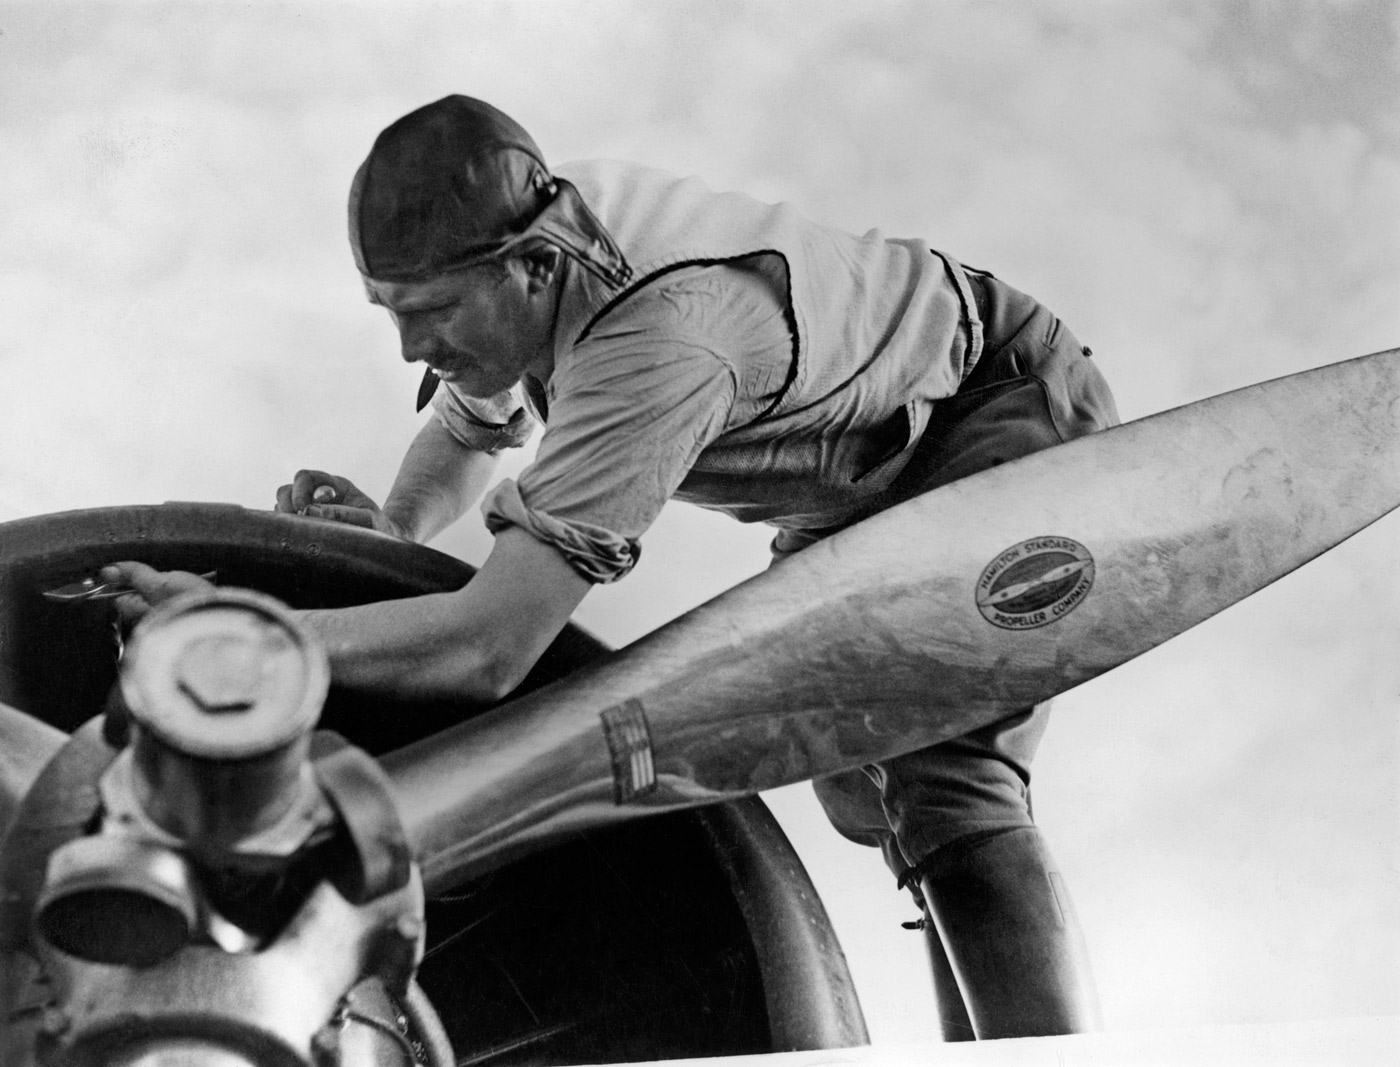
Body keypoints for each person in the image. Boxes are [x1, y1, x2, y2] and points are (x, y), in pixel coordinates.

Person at [109, 95, 1118, 1040]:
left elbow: (487, 648)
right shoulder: (530, 242)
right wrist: (391, 530)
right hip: (859, 482)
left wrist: (240, 648)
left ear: (534, 270)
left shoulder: (657, 342)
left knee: (944, 774)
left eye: (430, 311)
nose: (412, 343)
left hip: (994, 409)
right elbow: (471, 422)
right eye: (391, 311)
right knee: (879, 788)